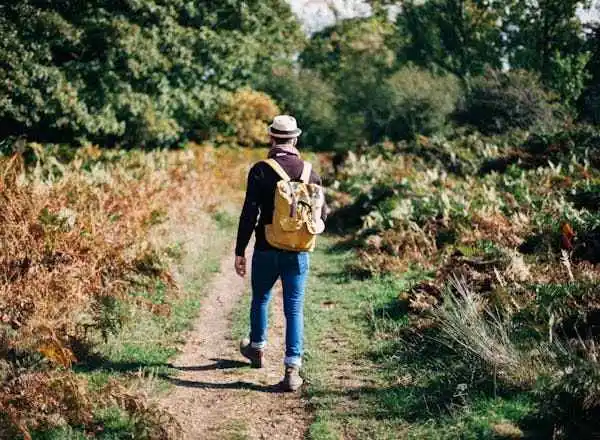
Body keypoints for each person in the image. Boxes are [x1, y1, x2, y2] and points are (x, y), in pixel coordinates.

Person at [234, 115, 327, 392]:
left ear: (271, 138)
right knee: (294, 308)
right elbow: (322, 215)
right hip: (298, 252)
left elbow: (249, 213)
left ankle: (257, 349)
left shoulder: (261, 170)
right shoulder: (311, 173)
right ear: (295, 139)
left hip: (265, 248)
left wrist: (240, 250)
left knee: (260, 298)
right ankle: (292, 369)